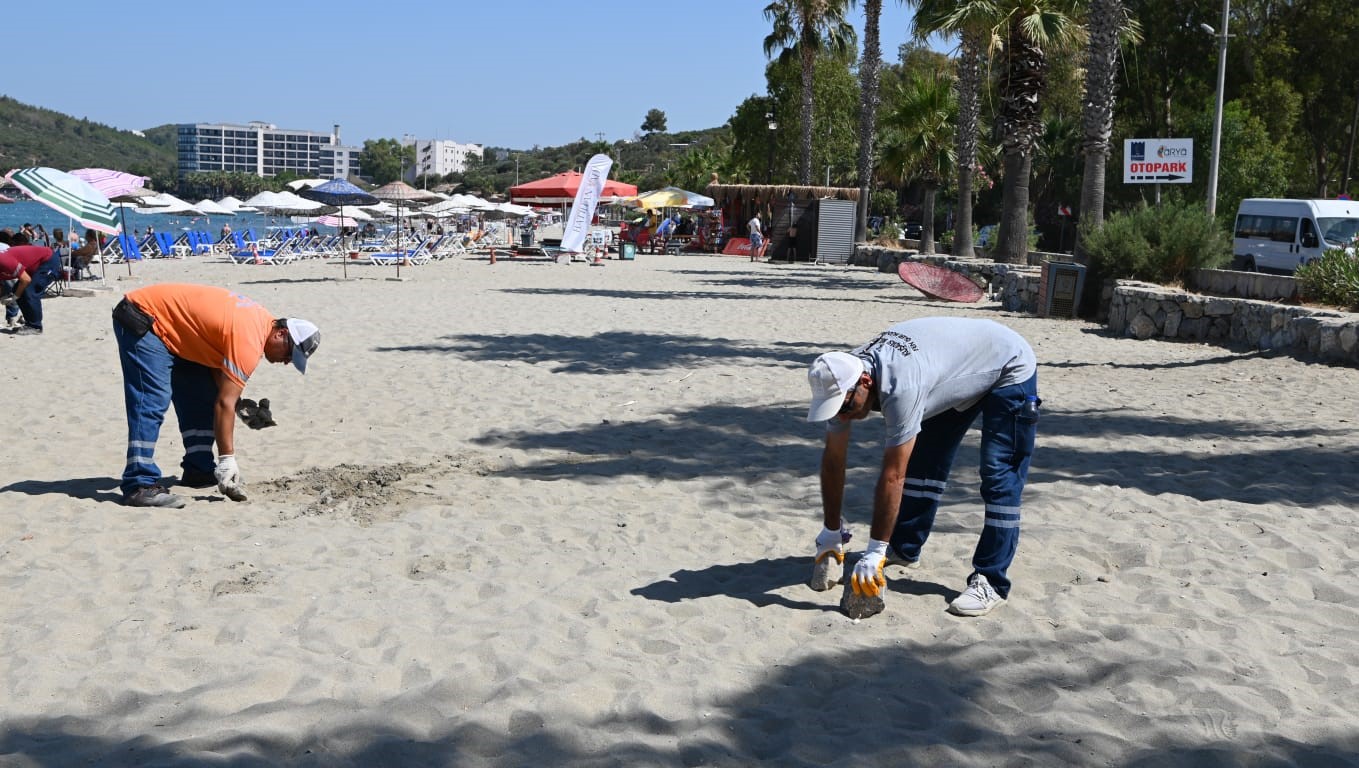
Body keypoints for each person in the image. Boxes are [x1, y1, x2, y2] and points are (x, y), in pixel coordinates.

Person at [805, 317, 1039, 619]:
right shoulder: (840, 377)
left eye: (846, 408)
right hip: (952, 369)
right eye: (836, 410)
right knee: (926, 460)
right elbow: (834, 460)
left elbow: (893, 475)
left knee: (999, 475)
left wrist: (874, 550)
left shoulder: (902, 386)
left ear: (865, 382)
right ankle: (904, 548)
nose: (843, 417)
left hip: (1007, 364)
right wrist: (831, 532)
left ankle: (991, 580)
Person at [112, 283, 321, 508]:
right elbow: (224, 403)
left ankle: (199, 469)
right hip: (144, 317)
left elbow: (216, 374)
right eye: (290, 353)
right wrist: (227, 461)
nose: (288, 361)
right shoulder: (250, 340)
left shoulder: (258, 325)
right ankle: (138, 485)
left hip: (177, 332)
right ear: (281, 333)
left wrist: (241, 408)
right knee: (152, 399)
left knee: (200, 396)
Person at [0, 235, 60, 334]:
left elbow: (26, 280)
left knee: (29, 290)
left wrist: (14, 297)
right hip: (35, 265)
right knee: (17, 289)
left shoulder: (4, 261)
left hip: (48, 260)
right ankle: (29, 324)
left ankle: (35, 327)